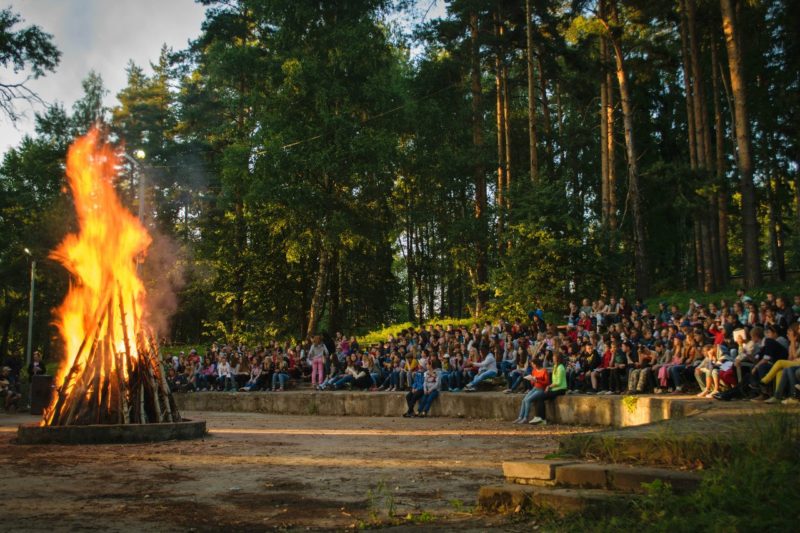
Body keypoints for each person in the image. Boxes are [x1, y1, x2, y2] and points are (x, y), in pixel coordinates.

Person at [529, 350, 567, 425]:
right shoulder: (555, 366)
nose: (552, 357)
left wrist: (548, 386)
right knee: (538, 397)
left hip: (560, 389)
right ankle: (537, 416)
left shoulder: (560, 368)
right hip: (554, 388)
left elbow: (558, 382)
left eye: (554, 356)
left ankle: (542, 419)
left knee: (540, 397)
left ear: (557, 358)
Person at [512, 358, 549, 424]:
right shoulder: (534, 370)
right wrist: (531, 380)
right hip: (535, 388)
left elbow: (546, 382)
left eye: (533, 364)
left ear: (536, 364)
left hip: (541, 389)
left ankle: (525, 418)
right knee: (523, 400)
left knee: (527, 400)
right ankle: (520, 417)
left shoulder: (544, 371)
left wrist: (537, 380)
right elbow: (533, 382)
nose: (532, 365)